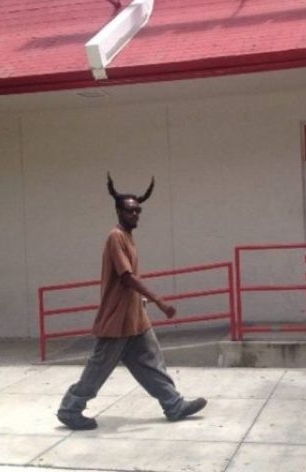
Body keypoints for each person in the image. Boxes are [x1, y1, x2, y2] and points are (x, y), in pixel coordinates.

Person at [57, 173, 207, 430]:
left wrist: (144, 303)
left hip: (135, 318)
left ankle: (173, 404)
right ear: (119, 211)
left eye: (138, 210)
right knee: (98, 368)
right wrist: (159, 300)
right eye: (130, 211)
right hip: (117, 319)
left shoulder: (128, 236)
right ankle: (70, 409)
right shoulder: (115, 237)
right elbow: (126, 277)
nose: (135, 214)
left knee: (152, 363)